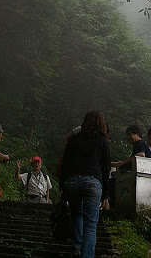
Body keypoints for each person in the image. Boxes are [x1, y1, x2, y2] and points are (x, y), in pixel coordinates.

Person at [60, 110, 111, 258]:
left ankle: (76, 246)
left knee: (76, 214)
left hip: (72, 182)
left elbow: (65, 164)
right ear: (101, 124)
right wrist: (105, 195)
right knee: (90, 224)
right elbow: (105, 169)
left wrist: (62, 186)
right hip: (92, 182)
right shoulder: (102, 142)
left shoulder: (73, 140)